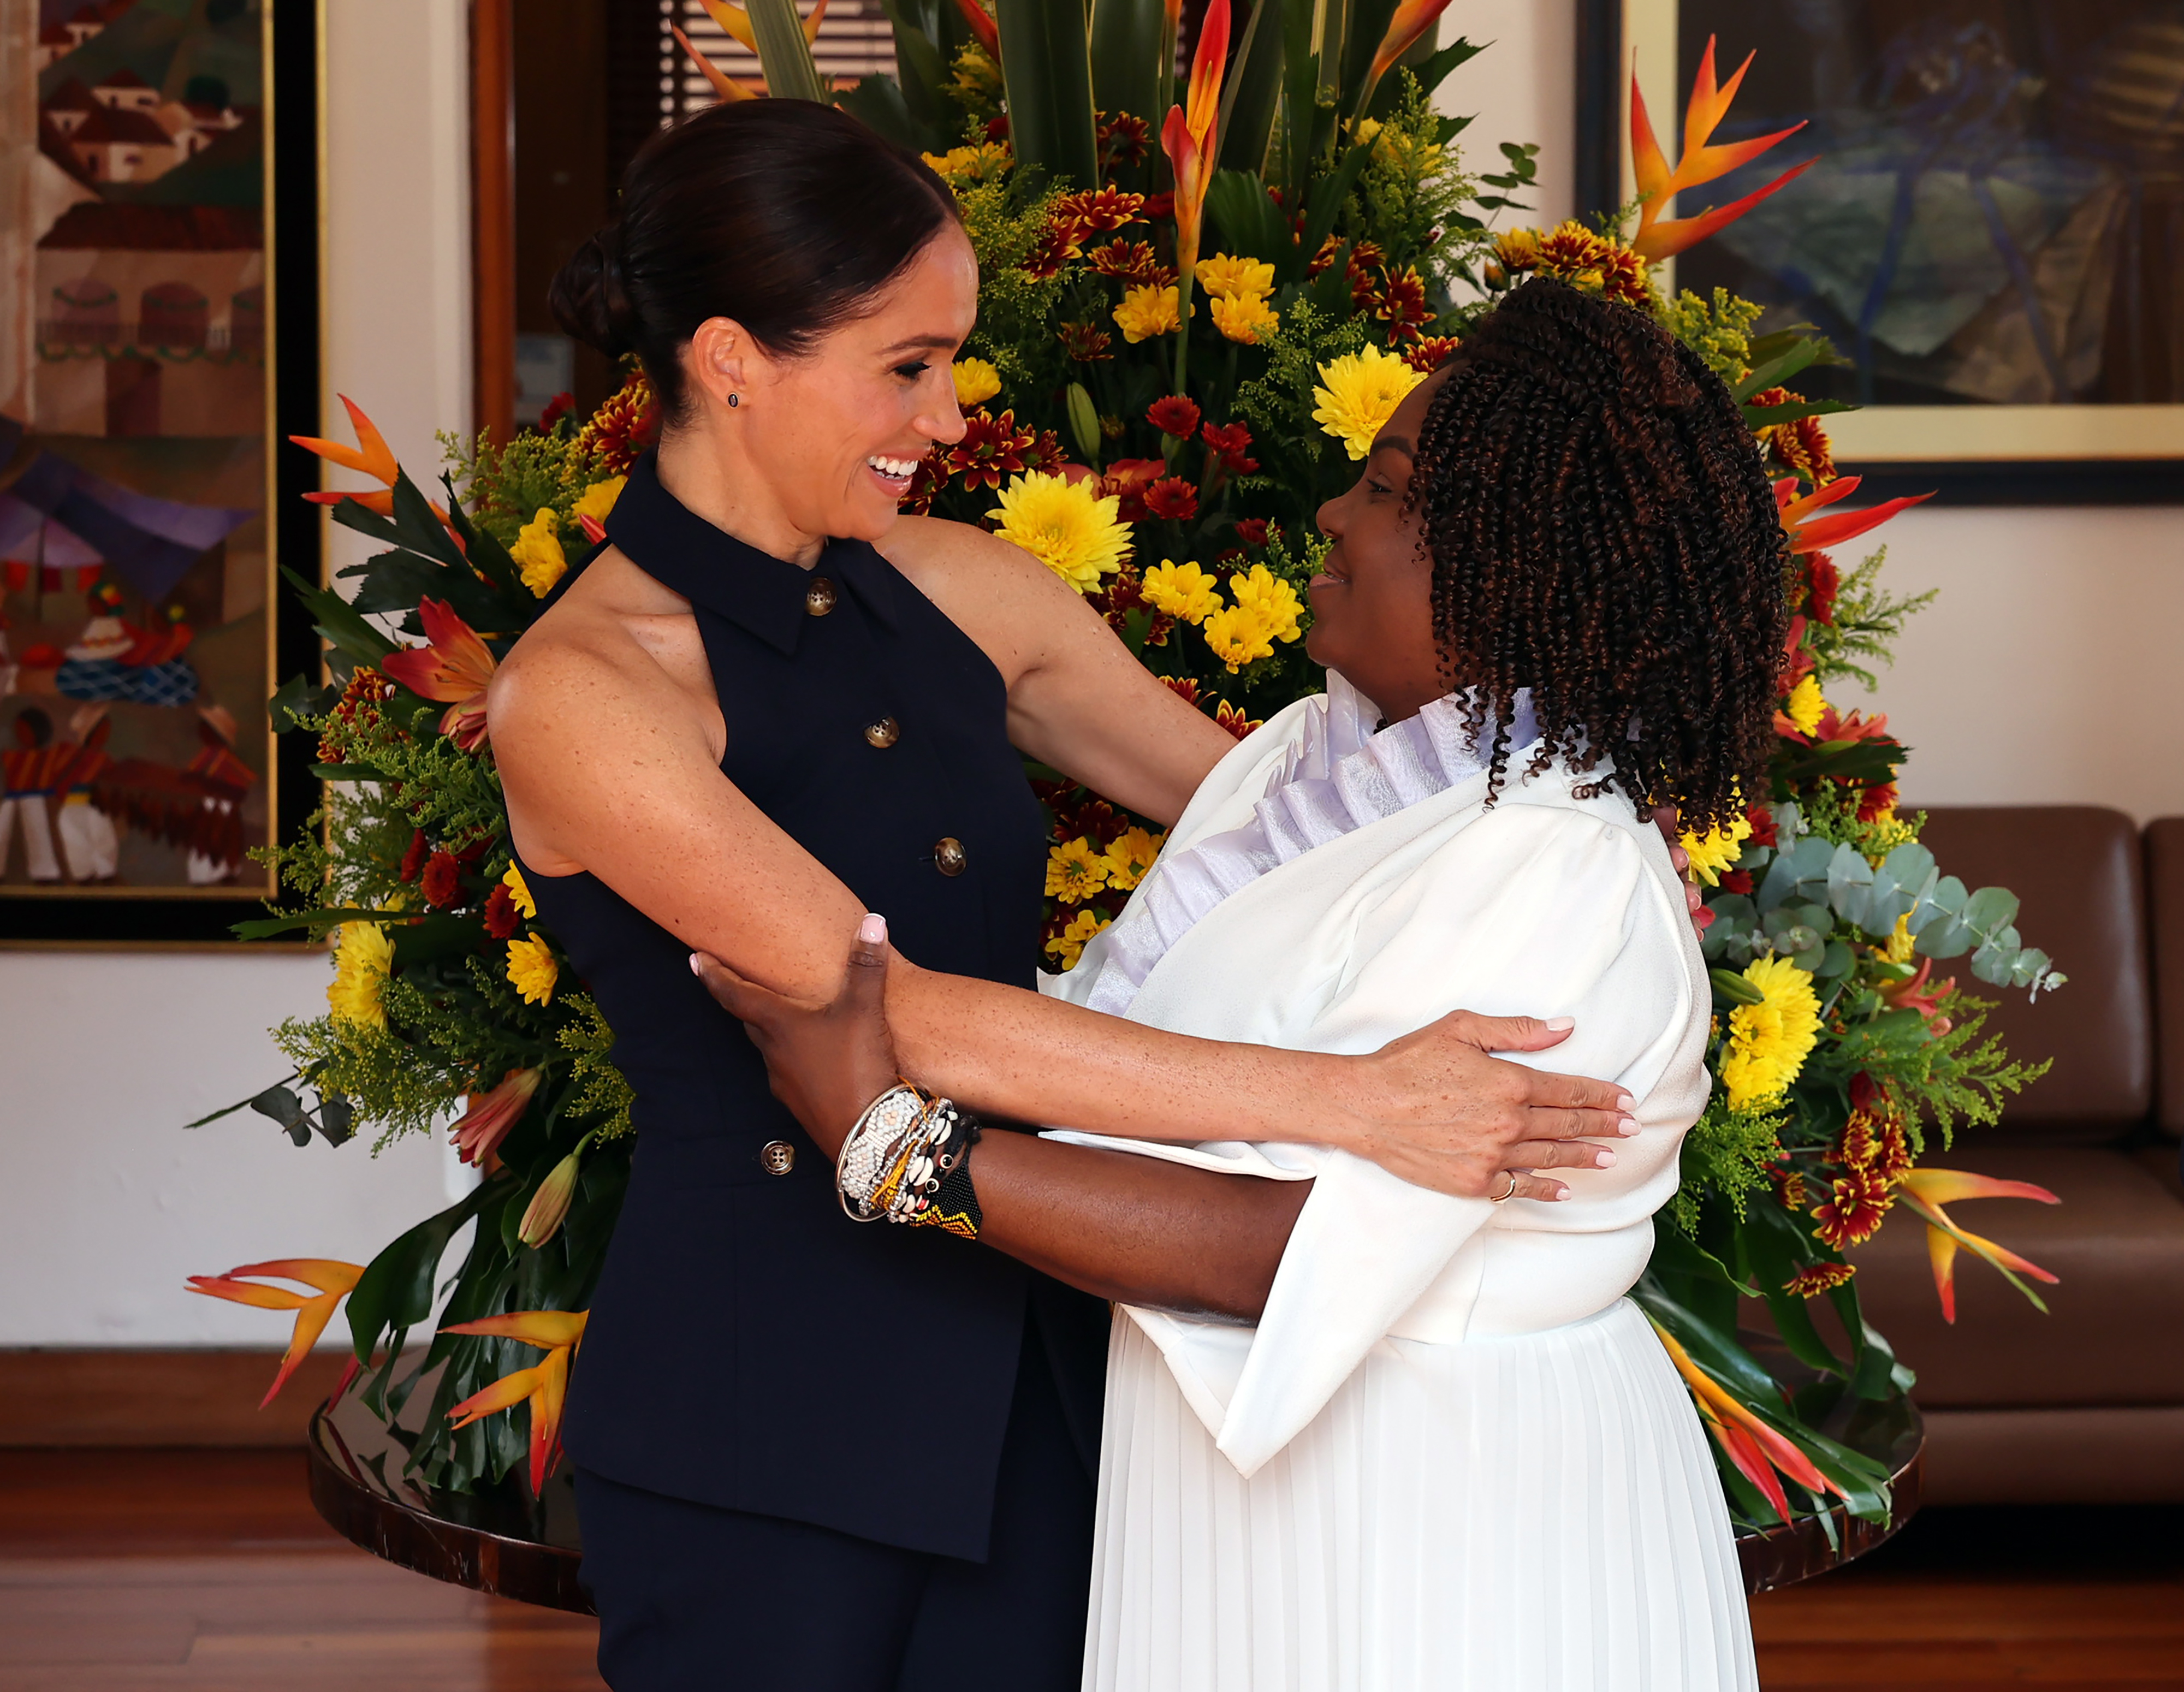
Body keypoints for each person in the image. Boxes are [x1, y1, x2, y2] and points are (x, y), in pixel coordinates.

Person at [490, 101, 1654, 1692]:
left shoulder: (971, 590)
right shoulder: (582, 693)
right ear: (730, 357)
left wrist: (1571, 833)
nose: (954, 417)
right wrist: (1353, 1103)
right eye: (907, 365)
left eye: (952, 360)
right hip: (764, 1414)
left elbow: (1306, 825)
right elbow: (884, 1011)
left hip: (1049, 1381)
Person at [701, 276, 1784, 1690]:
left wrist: (895, 1142)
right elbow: (1117, 1049)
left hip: (1443, 1508)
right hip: (1248, 1470)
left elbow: (1284, 1246)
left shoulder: (1557, 871)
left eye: (1387, 490)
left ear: (1515, 563)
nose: (1334, 513)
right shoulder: (1298, 765)